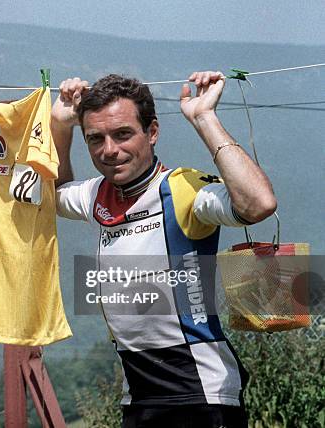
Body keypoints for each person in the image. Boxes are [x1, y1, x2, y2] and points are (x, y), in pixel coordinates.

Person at [52, 71, 277, 428]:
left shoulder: (181, 189)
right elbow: (56, 192)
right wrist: (60, 124)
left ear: (152, 132)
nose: (109, 150)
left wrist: (205, 117)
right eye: (95, 139)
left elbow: (259, 204)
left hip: (202, 395)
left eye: (123, 134)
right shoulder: (96, 194)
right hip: (139, 397)